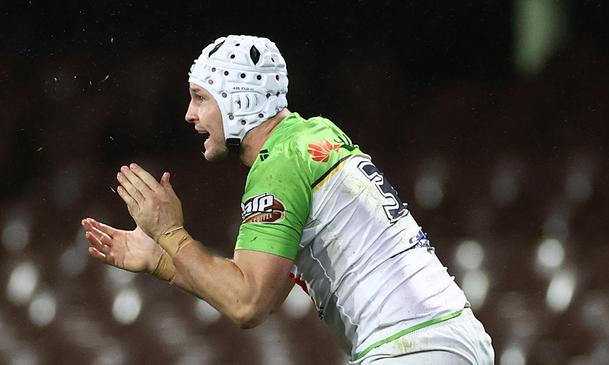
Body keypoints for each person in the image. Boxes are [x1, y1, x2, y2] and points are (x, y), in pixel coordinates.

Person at [81, 34, 495, 364]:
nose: (190, 114)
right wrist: (159, 260)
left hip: (409, 346)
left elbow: (247, 304)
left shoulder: (280, 162)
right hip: (454, 337)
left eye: (201, 97)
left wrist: (170, 231)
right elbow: (261, 293)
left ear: (238, 99)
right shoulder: (313, 134)